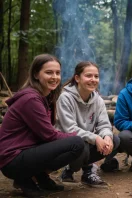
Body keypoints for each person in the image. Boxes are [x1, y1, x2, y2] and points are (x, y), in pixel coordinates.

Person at [0, 54, 85, 197]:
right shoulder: (31, 99)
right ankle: (24, 179)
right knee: (76, 143)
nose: (55, 77)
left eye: (57, 73)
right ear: (35, 74)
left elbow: (45, 134)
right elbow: (49, 135)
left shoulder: (46, 97)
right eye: (49, 72)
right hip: (12, 159)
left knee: (72, 142)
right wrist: (78, 135)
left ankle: (40, 177)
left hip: (25, 152)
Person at [56, 61, 120, 188]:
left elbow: (104, 124)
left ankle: (88, 172)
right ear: (77, 78)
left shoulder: (98, 100)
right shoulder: (65, 98)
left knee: (115, 140)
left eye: (96, 76)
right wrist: (95, 138)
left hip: (86, 141)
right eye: (88, 76)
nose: (93, 79)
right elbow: (69, 129)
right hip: (67, 145)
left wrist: (107, 136)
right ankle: (69, 169)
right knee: (81, 145)